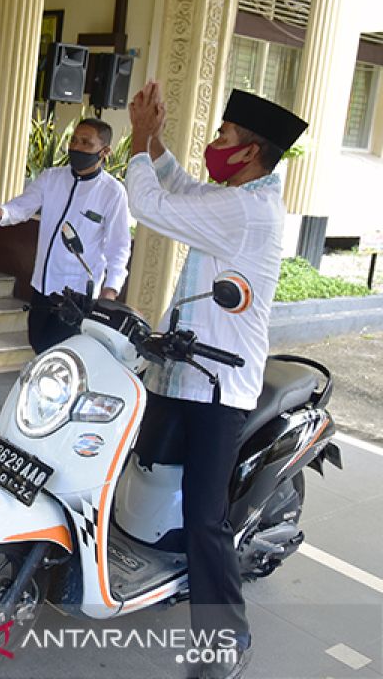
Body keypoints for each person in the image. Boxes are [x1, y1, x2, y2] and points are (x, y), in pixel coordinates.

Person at [126, 82, 308, 679]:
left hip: (218, 388)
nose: (214, 144)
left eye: (224, 137)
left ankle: (226, 641)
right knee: (139, 466)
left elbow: (153, 206)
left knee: (206, 517)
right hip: (182, 368)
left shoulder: (248, 209)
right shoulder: (239, 192)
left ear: (250, 151)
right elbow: (180, 187)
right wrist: (152, 139)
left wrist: (137, 138)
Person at [0, 118, 132, 353]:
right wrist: (2, 212)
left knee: (61, 352)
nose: (76, 147)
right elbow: (24, 205)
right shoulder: (52, 177)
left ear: (104, 152)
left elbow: (119, 246)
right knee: (38, 343)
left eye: (86, 143)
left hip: (77, 295)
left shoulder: (112, 193)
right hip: (43, 285)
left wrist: (110, 290)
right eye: (74, 140)